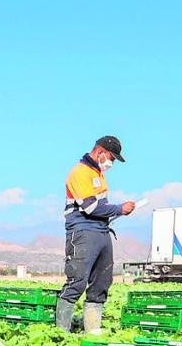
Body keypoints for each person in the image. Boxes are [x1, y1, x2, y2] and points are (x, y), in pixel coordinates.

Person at [57, 135, 136, 333]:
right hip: (83, 231)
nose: (111, 163)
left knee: (101, 283)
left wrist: (117, 211)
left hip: (101, 231)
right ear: (100, 152)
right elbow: (90, 207)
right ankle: (62, 333)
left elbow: (100, 206)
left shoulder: (97, 174)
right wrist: (120, 209)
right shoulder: (80, 172)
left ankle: (92, 332)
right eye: (111, 157)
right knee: (77, 281)